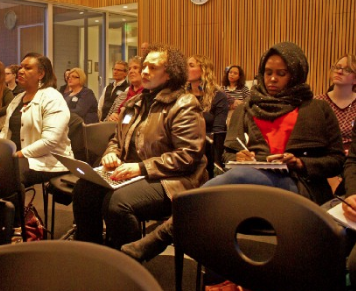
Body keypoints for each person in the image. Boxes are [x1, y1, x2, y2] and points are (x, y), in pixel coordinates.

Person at [121, 41, 345, 262]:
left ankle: (161, 236)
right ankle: (217, 290)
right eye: (267, 72)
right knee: (221, 206)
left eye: (281, 73)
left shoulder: (317, 109)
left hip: (298, 187)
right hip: (247, 190)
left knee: (234, 183)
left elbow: (336, 160)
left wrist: (300, 163)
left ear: (296, 73)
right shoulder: (249, 108)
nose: (273, 79)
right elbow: (227, 154)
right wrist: (238, 157)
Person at [72, 43, 208, 250]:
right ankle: (93, 253)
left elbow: (188, 156)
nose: (144, 71)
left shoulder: (184, 104)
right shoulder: (134, 103)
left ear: (170, 73)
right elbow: (116, 139)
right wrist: (112, 154)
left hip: (173, 179)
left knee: (117, 203)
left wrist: (141, 168)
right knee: (84, 189)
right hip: (132, 173)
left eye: (153, 67)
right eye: (144, 66)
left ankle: (127, 265)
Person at [0, 52, 73, 187]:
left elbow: (49, 142)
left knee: (8, 174)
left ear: (41, 74)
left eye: (27, 68)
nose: (21, 71)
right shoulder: (17, 99)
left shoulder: (52, 98)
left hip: (48, 160)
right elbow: (5, 132)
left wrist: (16, 155)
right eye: (21, 67)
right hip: (17, 157)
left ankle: (14, 208)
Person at [315, 54, 356, 153]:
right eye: (337, 67)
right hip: (325, 156)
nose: (339, 71)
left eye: (347, 70)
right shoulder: (317, 102)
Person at [186, 54, 228, 133]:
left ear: (204, 70)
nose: (186, 69)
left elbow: (217, 132)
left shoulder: (218, 96)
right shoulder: (181, 94)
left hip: (208, 142)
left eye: (191, 66)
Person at [105, 56, 144, 122]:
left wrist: (121, 119)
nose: (131, 71)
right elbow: (113, 113)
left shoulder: (146, 94)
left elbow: (130, 119)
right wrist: (113, 116)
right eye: (129, 69)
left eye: (135, 68)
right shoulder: (126, 93)